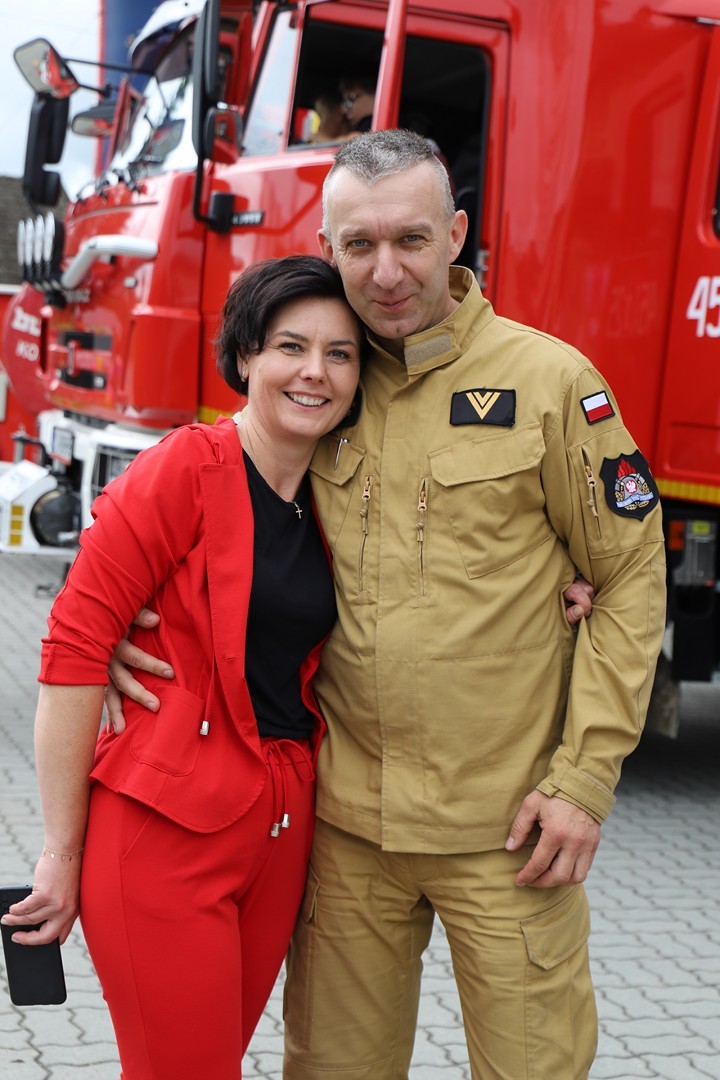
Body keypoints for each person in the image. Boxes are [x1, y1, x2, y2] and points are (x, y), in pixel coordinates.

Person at [104, 131, 664, 1079]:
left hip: (509, 831)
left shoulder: (551, 382)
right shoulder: (321, 380)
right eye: (359, 245)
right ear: (327, 247)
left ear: (456, 235)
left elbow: (627, 578)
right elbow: (207, 500)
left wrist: (584, 782)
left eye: (411, 239)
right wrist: (119, 622)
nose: (387, 271)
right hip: (343, 832)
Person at [1, 256, 365, 1079]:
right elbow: (74, 649)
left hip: (280, 833)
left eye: (339, 354)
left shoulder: (337, 493)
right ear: (245, 356)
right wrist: (60, 852)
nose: (315, 371)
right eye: (291, 346)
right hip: (163, 833)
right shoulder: (185, 468)